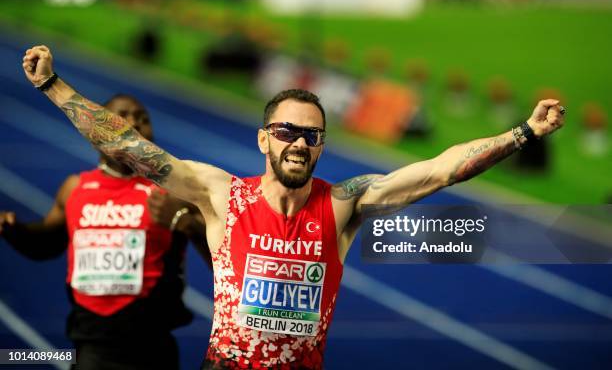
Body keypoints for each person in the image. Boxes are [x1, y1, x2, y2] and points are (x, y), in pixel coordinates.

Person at [20, 45, 565, 369]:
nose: (299, 143)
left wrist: (522, 132)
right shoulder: (220, 196)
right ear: (264, 140)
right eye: (286, 131)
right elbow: (131, 148)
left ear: (321, 145)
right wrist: (53, 86)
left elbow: (438, 170)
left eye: (312, 135)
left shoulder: (344, 205)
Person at [0, 93, 210, 370]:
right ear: (94, 130)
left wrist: (190, 226)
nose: (134, 123)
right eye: (121, 117)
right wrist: (17, 232)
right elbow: (48, 245)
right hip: (90, 345)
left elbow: (226, 261)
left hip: (152, 347)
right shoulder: (75, 189)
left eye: (143, 119)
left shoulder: (173, 194)